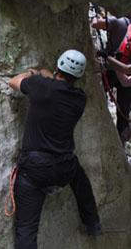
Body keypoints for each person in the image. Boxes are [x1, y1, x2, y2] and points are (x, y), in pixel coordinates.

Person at [8, 49, 103, 249]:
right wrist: (45, 76)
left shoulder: (41, 86)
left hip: (34, 170)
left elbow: (14, 82)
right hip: (64, 167)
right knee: (79, 176)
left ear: (58, 65)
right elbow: (57, 85)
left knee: (26, 228)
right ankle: (92, 222)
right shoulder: (79, 98)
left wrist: (33, 74)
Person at [91, 14, 131, 142]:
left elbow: (95, 24)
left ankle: (100, 131)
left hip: (110, 70)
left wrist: (96, 17)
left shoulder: (117, 21)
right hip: (124, 74)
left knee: (100, 99)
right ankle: (121, 138)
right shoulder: (116, 22)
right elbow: (125, 79)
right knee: (124, 108)